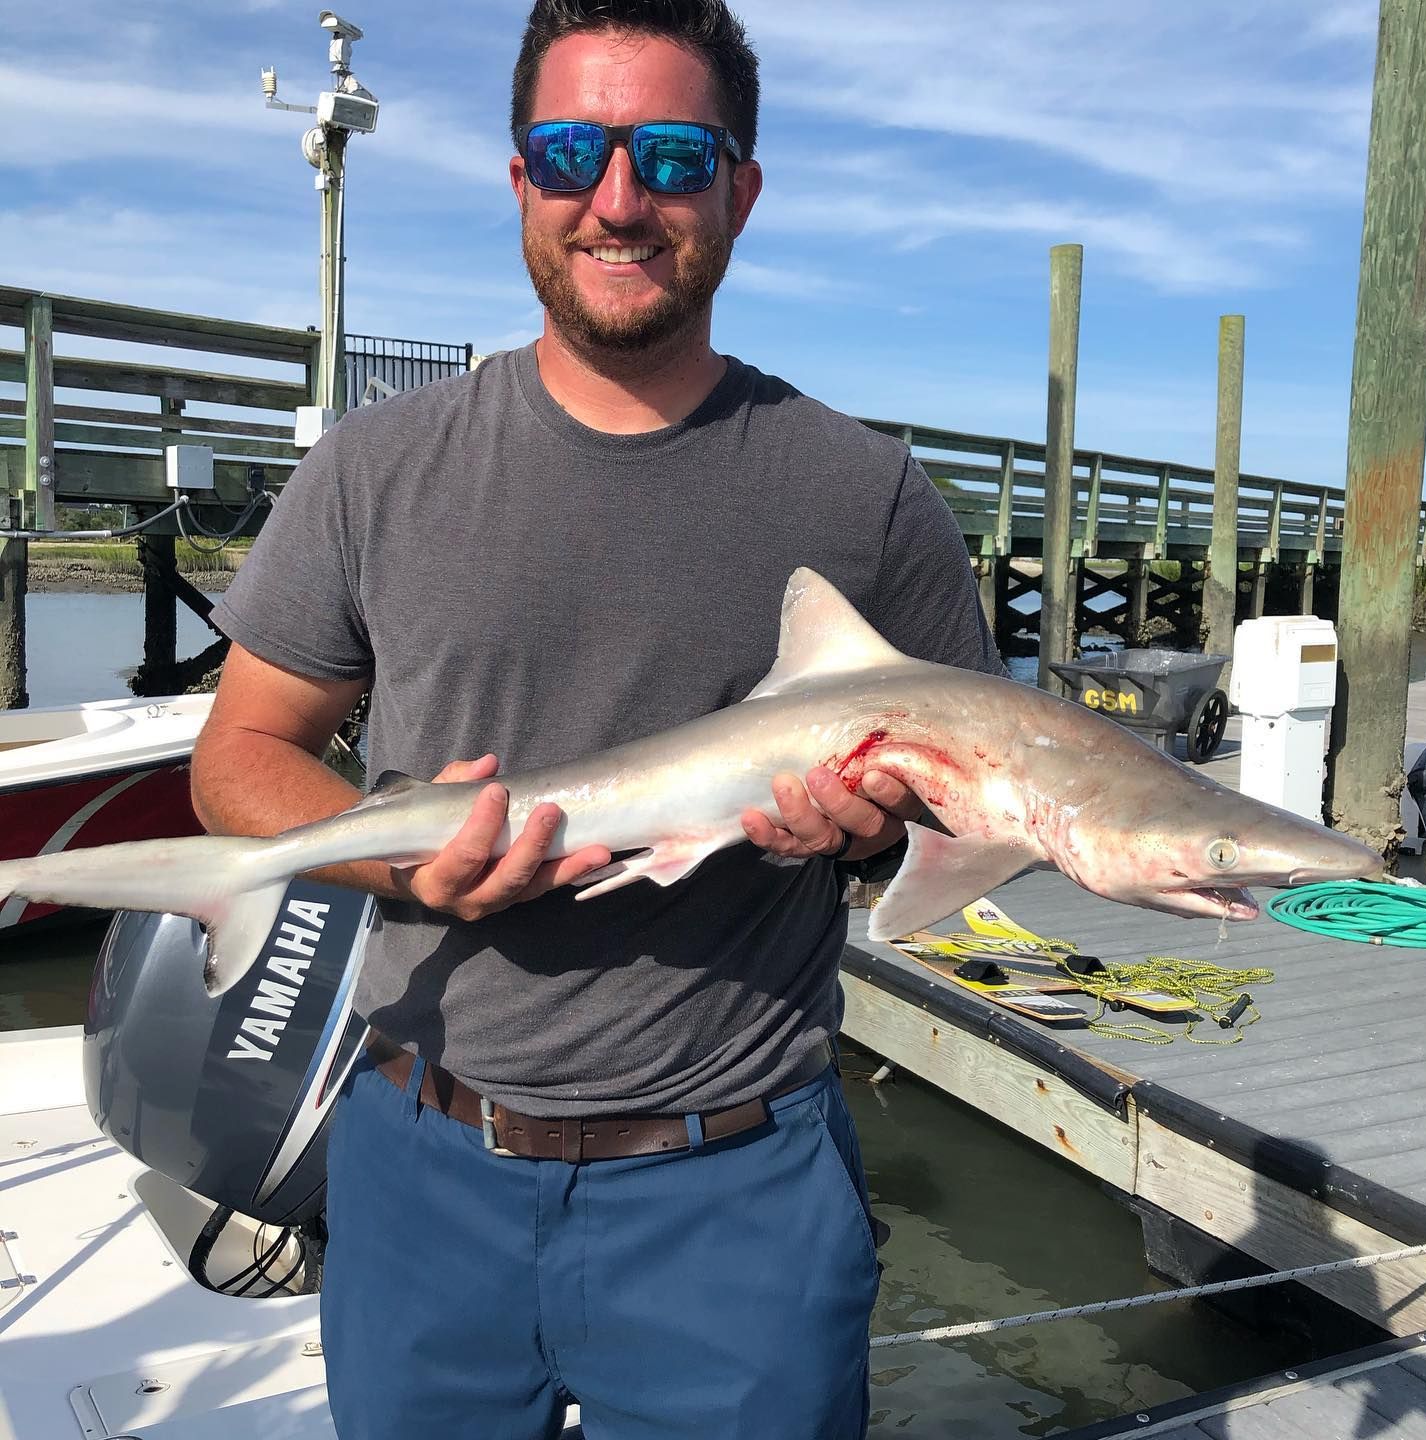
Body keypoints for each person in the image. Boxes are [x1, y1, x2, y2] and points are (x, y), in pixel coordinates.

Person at [195, 2, 1004, 1435]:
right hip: (420, 1161)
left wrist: (862, 840)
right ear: (521, 180)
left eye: (674, 156)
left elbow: (961, 807)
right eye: (571, 151)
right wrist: (398, 859)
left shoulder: (865, 500)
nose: (617, 200)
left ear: (741, 189)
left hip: (735, 1190)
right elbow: (239, 757)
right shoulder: (377, 471)